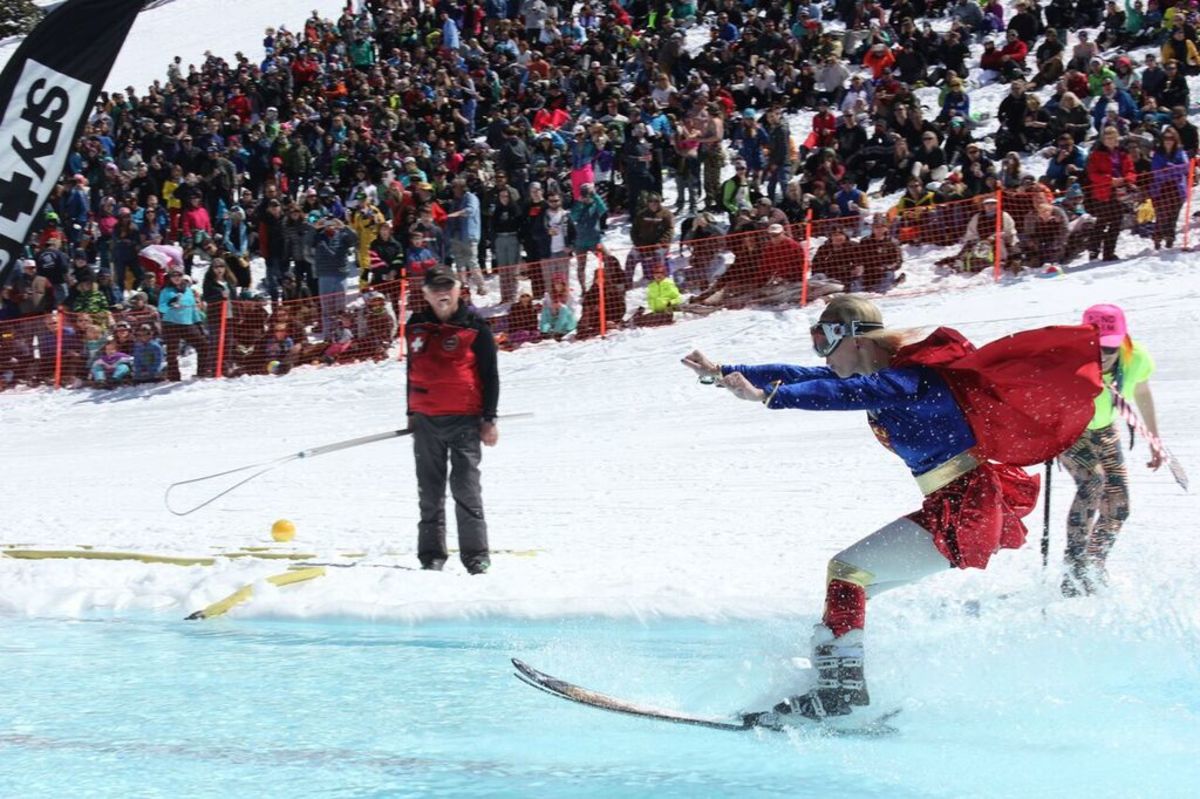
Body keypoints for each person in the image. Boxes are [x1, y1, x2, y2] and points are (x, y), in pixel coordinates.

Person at [680, 295, 1101, 728]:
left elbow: (839, 392)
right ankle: (843, 696)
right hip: (955, 503)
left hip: (965, 507)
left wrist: (770, 397)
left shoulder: (908, 380)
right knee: (847, 591)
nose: (820, 355)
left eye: (825, 341)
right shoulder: (882, 380)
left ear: (856, 340)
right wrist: (723, 373)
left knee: (847, 571)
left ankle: (838, 695)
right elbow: (802, 376)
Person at [1059, 304, 1161, 597]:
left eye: (1111, 347)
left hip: (1104, 429)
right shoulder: (1067, 360)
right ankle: (1075, 566)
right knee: (1093, 482)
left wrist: (1154, 438)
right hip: (1071, 432)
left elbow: (1141, 391)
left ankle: (1094, 564)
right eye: (1098, 347)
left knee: (1119, 506)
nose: (1105, 355)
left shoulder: (1136, 358)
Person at [404, 266, 499, 575]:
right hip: (426, 421)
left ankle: (476, 556)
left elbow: (490, 376)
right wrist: (410, 412)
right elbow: (412, 370)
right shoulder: (415, 325)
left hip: (464, 420)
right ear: (426, 293)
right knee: (429, 491)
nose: (442, 293)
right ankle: (431, 556)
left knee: (465, 487)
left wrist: (489, 418)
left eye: (449, 287)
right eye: (436, 288)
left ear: (460, 289)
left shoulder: (476, 326)